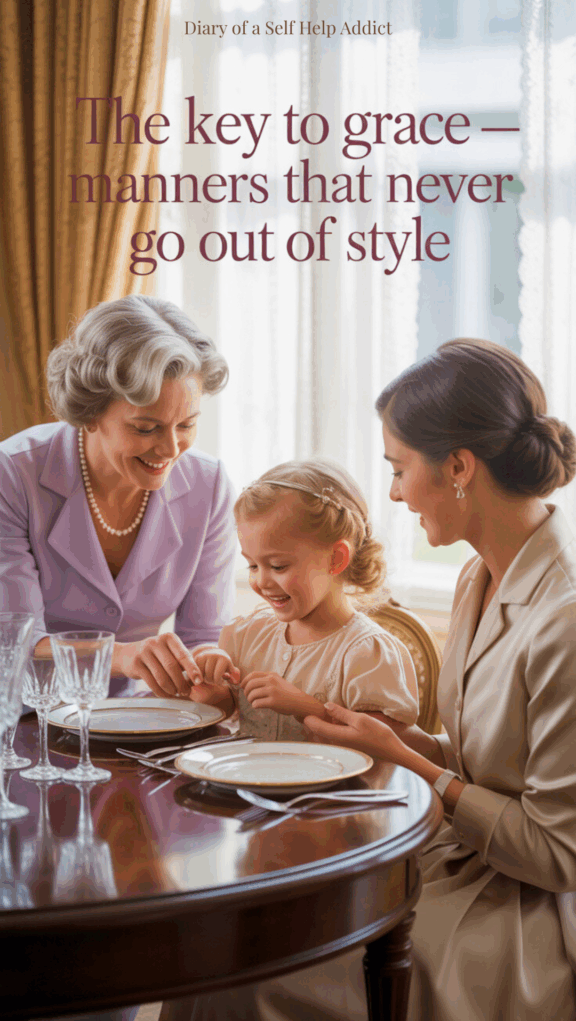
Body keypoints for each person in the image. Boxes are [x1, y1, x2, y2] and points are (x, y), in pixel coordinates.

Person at [180, 338, 576, 1021]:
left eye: (399, 467)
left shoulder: (564, 617)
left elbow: (556, 853)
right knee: (225, 931)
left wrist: (412, 763)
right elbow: (492, 763)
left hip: (517, 910)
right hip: (453, 854)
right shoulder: (479, 574)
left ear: (458, 467)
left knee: (253, 969)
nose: (393, 491)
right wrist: (400, 741)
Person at [0, 294, 237, 698]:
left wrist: (211, 670)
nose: (171, 449)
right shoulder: (13, 475)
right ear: (90, 412)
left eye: (186, 425)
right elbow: (14, 641)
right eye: (146, 428)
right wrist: (122, 656)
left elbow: (203, 637)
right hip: (23, 716)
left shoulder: (209, 486)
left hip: (137, 717)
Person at [187, 459, 419, 736]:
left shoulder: (366, 653)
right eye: (252, 566)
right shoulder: (246, 636)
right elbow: (233, 712)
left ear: (336, 558)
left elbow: (388, 744)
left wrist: (307, 707)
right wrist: (213, 694)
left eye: (278, 566)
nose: (261, 582)